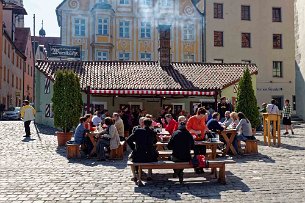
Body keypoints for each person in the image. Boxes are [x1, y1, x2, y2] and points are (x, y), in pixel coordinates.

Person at [127, 118, 158, 183]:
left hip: (139, 156)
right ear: (151, 124)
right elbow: (155, 142)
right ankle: (149, 174)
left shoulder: (138, 131)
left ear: (143, 123)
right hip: (150, 157)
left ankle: (135, 176)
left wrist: (134, 148)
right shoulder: (152, 132)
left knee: (130, 158)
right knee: (153, 153)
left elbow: (128, 140)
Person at [168, 116, 194, 184]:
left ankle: (177, 171)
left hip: (176, 157)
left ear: (179, 126)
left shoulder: (175, 133)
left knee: (170, 157)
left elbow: (169, 146)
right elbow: (193, 146)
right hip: (187, 157)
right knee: (182, 158)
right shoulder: (189, 134)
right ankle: (180, 172)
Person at [186, 107, 209, 174]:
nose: (201, 117)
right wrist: (195, 132)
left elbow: (203, 125)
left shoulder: (203, 118)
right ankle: (196, 167)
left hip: (202, 138)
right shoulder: (192, 119)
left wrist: (206, 130)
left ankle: (202, 167)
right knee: (196, 153)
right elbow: (188, 128)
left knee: (203, 153)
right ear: (197, 113)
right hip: (194, 138)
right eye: (201, 115)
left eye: (203, 116)